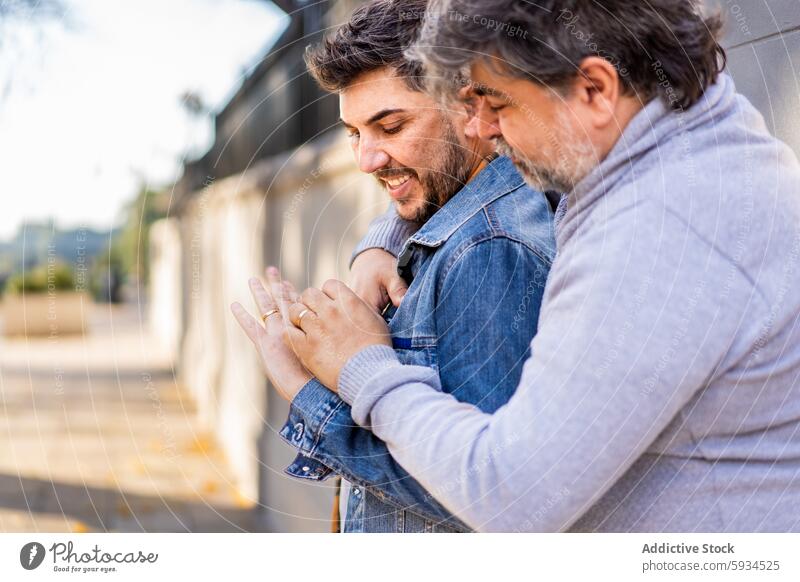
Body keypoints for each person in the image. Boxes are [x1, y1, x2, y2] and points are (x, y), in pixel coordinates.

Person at [281, 0, 800, 532]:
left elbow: (514, 497)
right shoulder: (684, 139)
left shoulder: (660, 232)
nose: (478, 128)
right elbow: (482, 174)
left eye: (495, 104)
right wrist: (388, 237)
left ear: (595, 89)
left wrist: (360, 369)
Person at [231, 0, 555, 532]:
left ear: (470, 109)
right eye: (355, 133)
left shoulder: (488, 251)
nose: (366, 159)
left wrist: (304, 388)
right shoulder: (447, 212)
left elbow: (486, 500)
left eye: (391, 125)